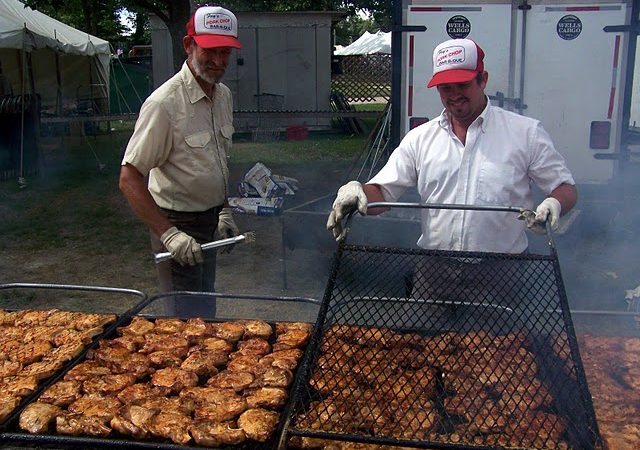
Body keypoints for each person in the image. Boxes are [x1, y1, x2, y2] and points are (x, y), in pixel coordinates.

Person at [326, 38, 578, 331]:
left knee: (495, 362)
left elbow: (565, 187)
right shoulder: (421, 138)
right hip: (433, 274)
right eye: (446, 87)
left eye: (462, 85)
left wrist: (553, 203)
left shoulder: (525, 133)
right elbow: (382, 192)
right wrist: (357, 190)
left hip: (500, 275)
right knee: (420, 355)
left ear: (482, 79)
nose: (454, 95)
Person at [119, 5, 242, 316]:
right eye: (210, 50)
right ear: (189, 45)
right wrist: (169, 234)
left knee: (205, 309)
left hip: (209, 219)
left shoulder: (223, 95)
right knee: (182, 321)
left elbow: (216, 159)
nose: (218, 61)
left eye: (225, 52)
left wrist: (223, 210)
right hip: (176, 222)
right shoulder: (164, 104)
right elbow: (129, 178)